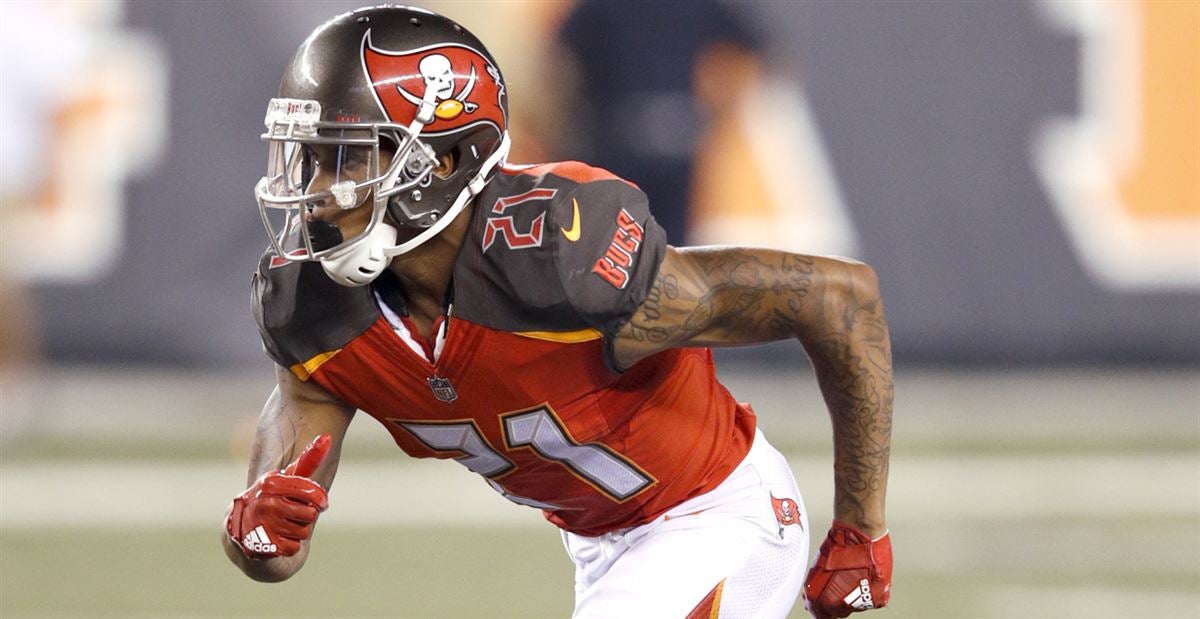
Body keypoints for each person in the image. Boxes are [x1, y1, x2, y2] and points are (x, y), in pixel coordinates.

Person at [223, 6, 893, 619]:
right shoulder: (313, 313)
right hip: (605, 549)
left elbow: (840, 297)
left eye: (341, 159)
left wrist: (862, 530)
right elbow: (275, 547)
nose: (310, 193)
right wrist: (256, 533)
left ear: (445, 160)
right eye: (302, 158)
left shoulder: (554, 259)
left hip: (718, 516)